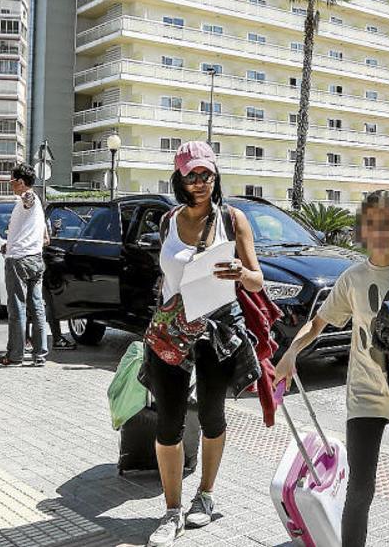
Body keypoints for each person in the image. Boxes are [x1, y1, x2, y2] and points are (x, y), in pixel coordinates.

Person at [276, 189, 389, 547]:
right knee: (360, 486)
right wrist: (291, 353)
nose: (380, 232)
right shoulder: (352, 278)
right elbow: (318, 323)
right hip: (364, 392)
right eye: (372, 224)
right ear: (363, 230)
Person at [143, 141, 264, 547]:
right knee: (167, 423)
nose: (199, 182)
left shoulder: (233, 218)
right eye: (190, 175)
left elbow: (257, 280)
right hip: (172, 331)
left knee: (212, 417)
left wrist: (239, 272)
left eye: (205, 174)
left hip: (217, 330)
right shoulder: (168, 221)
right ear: (179, 179)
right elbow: (166, 278)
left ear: (215, 175)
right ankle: (172, 510)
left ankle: (206, 496)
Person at [0, 164, 49, 366]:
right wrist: (9, 244)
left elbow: (29, 199)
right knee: (37, 307)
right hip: (35, 259)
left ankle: (15, 356)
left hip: (19, 260)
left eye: (12, 181)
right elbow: (46, 238)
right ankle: (39, 355)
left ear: (20, 182)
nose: (10, 185)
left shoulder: (28, 198)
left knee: (17, 308)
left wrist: (27, 194)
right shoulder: (38, 207)